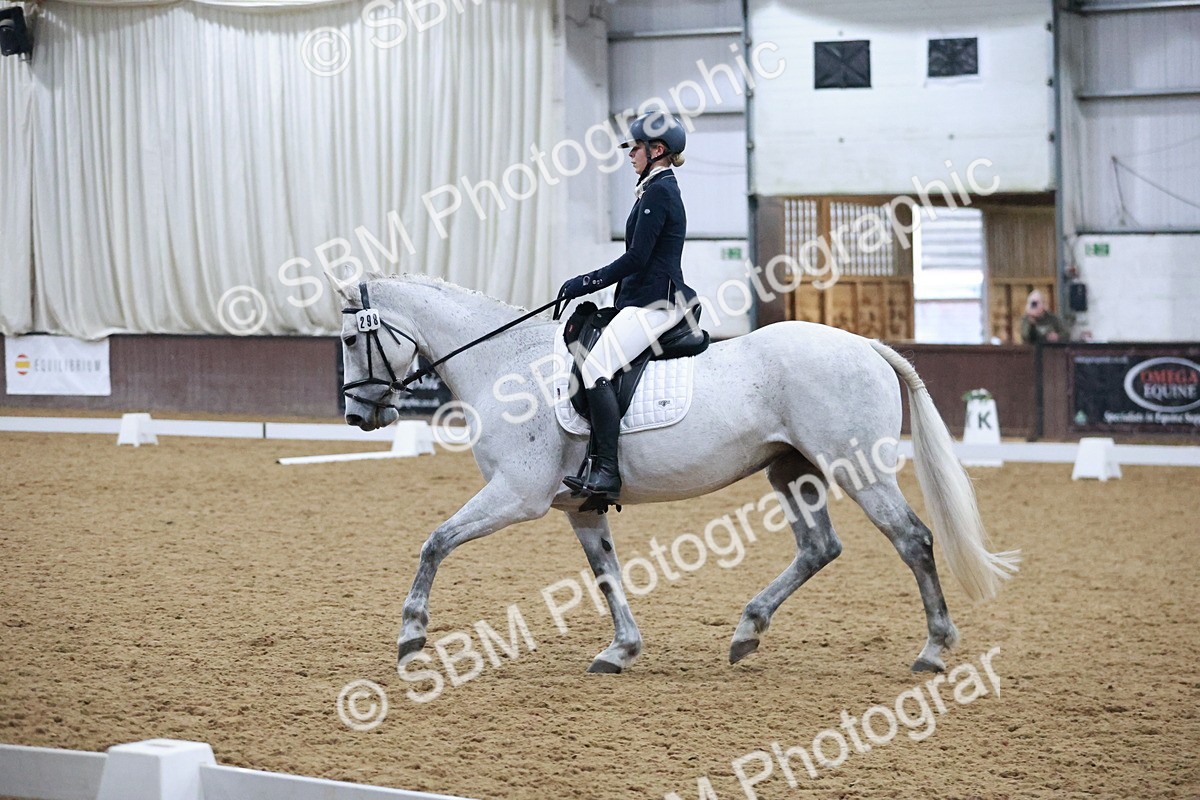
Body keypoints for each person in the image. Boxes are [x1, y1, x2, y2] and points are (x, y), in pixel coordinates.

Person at [557, 111, 698, 508]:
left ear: (657, 150)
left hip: (657, 302)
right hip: (642, 298)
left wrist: (583, 282)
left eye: (635, 147)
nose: (629, 154)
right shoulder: (653, 188)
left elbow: (637, 258)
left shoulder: (661, 191)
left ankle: (606, 470)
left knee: (595, 367)